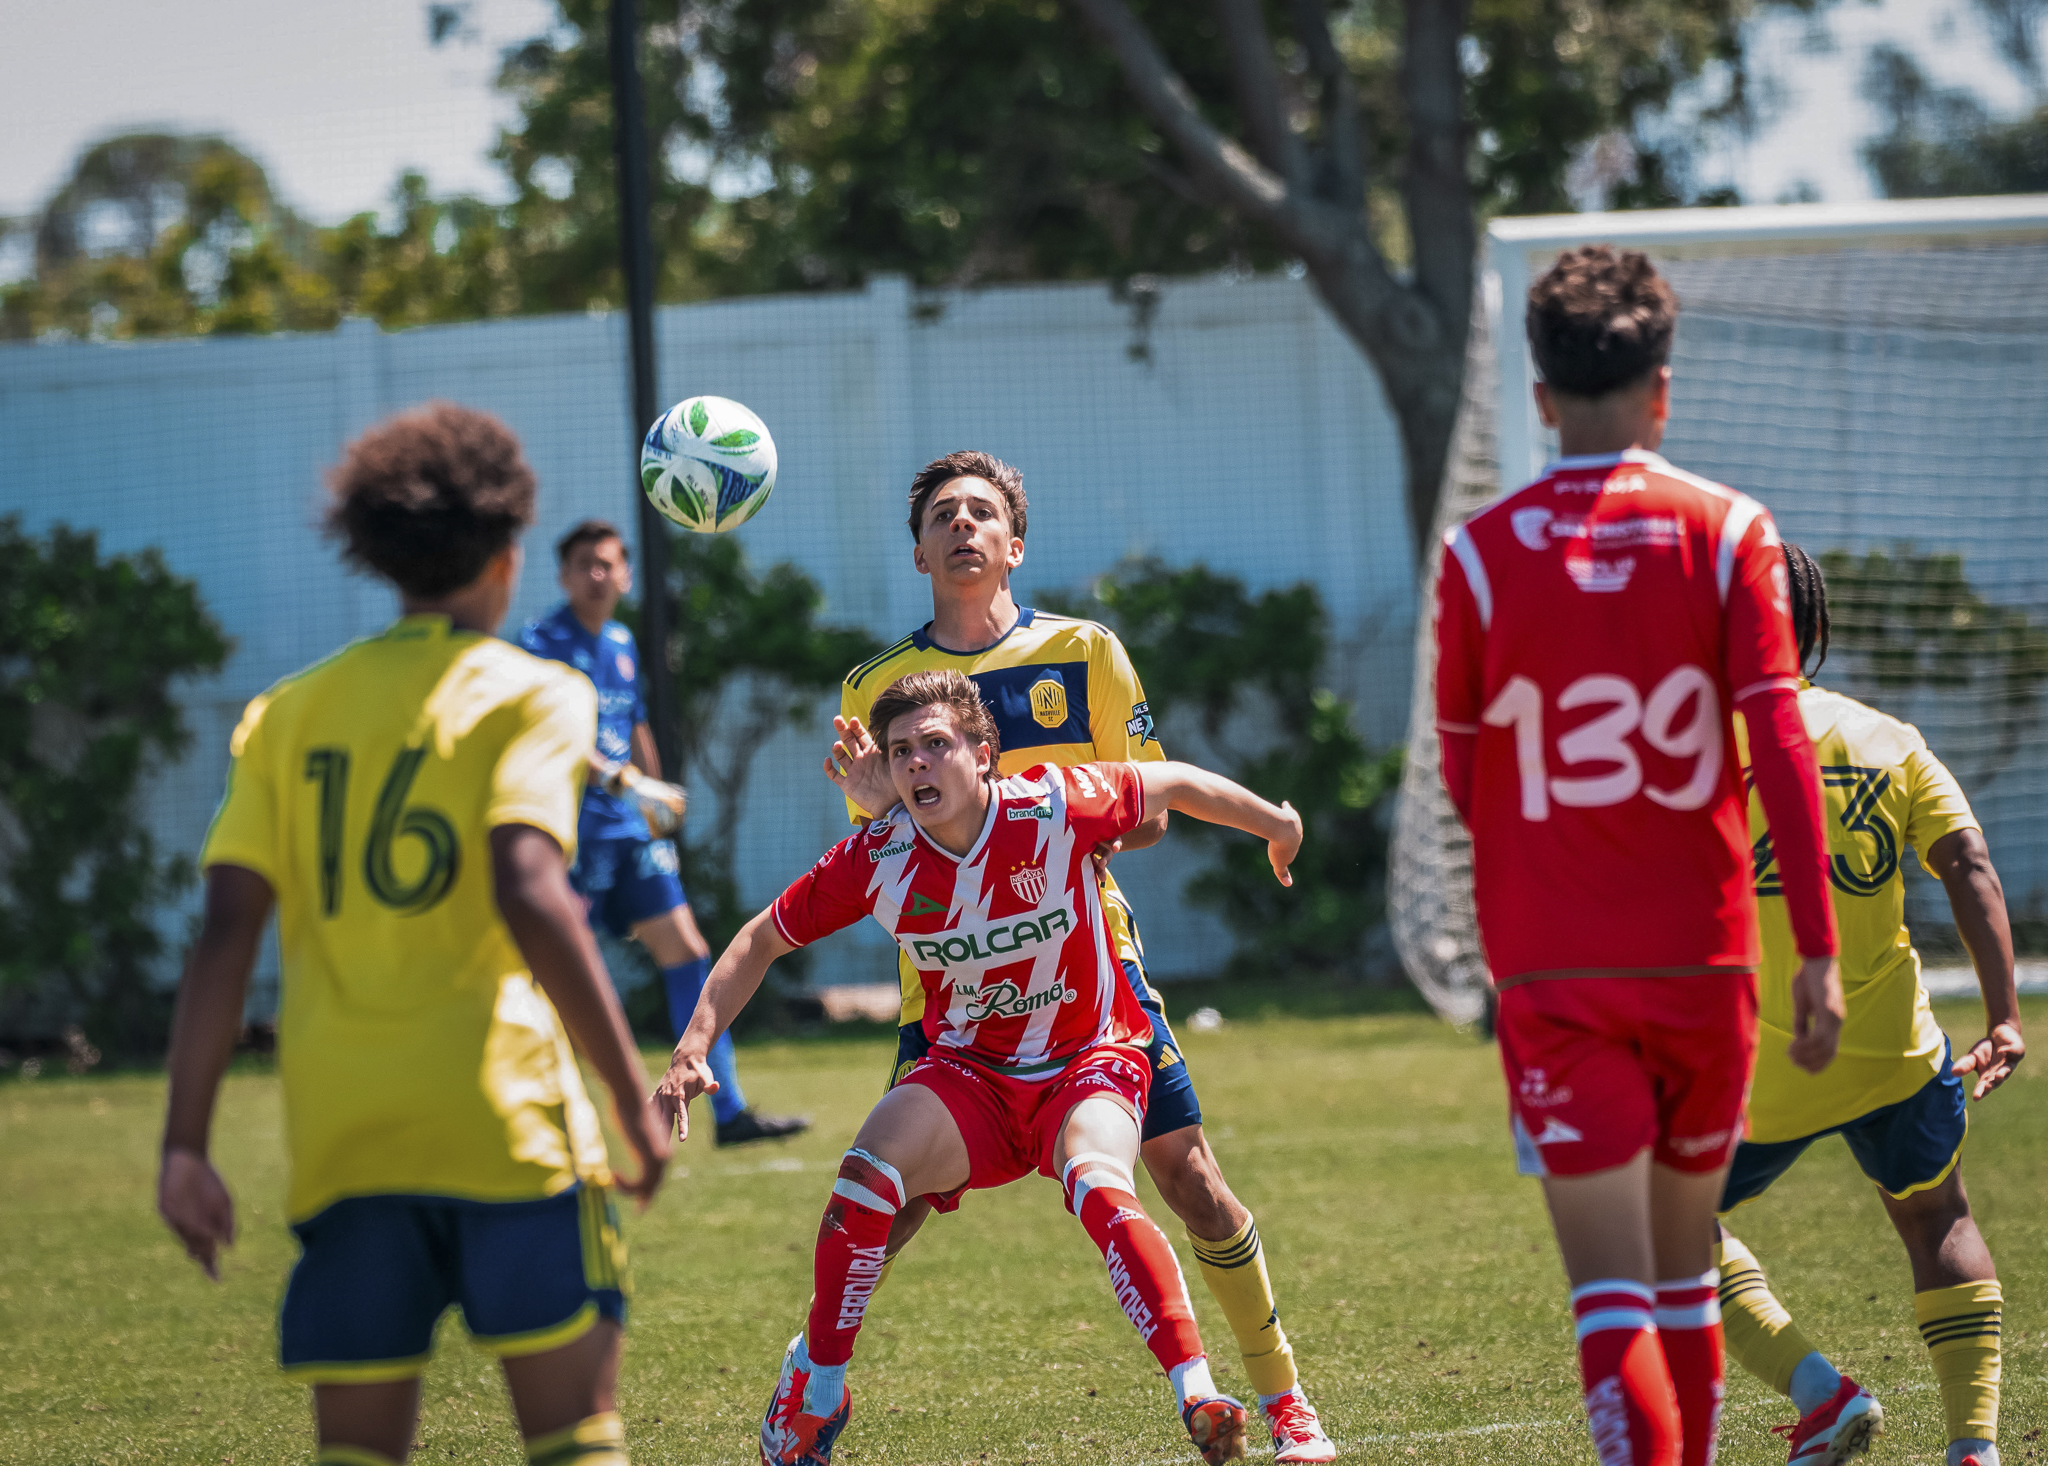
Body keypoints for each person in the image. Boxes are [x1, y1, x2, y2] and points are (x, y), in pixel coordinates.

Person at [157, 403, 670, 1466]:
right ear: (508, 548)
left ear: (376, 551)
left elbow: (223, 935)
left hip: (347, 1138)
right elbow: (530, 887)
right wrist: (630, 1097)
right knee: (575, 1442)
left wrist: (184, 1144)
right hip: (507, 1131)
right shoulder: (537, 695)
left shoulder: (287, 714)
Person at [823, 451, 1335, 1463]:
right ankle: (815, 1375)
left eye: (982, 513)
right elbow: (881, 850)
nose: (962, 525)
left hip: (1086, 968)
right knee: (888, 1202)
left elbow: (1145, 809)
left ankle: (1286, 1401)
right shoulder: (874, 687)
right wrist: (888, 804)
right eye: (941, 515)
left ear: (1014, 544)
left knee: (1189, 1180)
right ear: (918, 547)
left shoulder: (1086, 653)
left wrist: (1041, 824)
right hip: (954, 990)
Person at [654, 669, 1304, 1466]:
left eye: (935, 745)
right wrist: (693, 1045)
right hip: (970, 1074)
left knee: (1101, 1180)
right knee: (865, 1179)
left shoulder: (1057, 803)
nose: (917, 765)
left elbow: (1174, 783)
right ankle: (817, 1390)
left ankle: (1198, 1391)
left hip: (1088, 1058)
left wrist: (1276, 823)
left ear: (985, 753)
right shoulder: (879, 856)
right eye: (901, 753)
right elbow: (762, 938)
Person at [1433, 246, 1847, 1466]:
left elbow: (1466, 779)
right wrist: (1813, 951)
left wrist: (1537, 877)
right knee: (1680, 1279)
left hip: (1554, 971)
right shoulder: (1729, 533)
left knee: (1611, 1295)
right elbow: (1778, 743)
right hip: (1702, 958)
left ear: (1540, 398)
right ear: (1662, 389)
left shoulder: (1477, 557)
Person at [1713, 543, 2022, 1466]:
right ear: (1812, 630)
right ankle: (1974, 1448)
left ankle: (1822, 1392)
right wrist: (2005, 1014)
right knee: (1940, 1220)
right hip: (1893, 1051)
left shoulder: (1698, 750)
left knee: (1650, 1221)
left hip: (1761, 1064)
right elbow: (1969, 865)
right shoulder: (1889, 739)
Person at [519, 519, 807, 1148]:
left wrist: (653, 793)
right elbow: (550, 738)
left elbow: (636, 721)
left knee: (688, 951)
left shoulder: (621, 640)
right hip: (571, 835)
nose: (599, 575)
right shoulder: (541, 643)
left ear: (625, 574)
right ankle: (535, 1117)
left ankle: (727, 1110)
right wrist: (625, 783)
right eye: (585, 565)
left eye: (609, 564)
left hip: (629, 831)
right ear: (564, 576)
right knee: (554, 979)